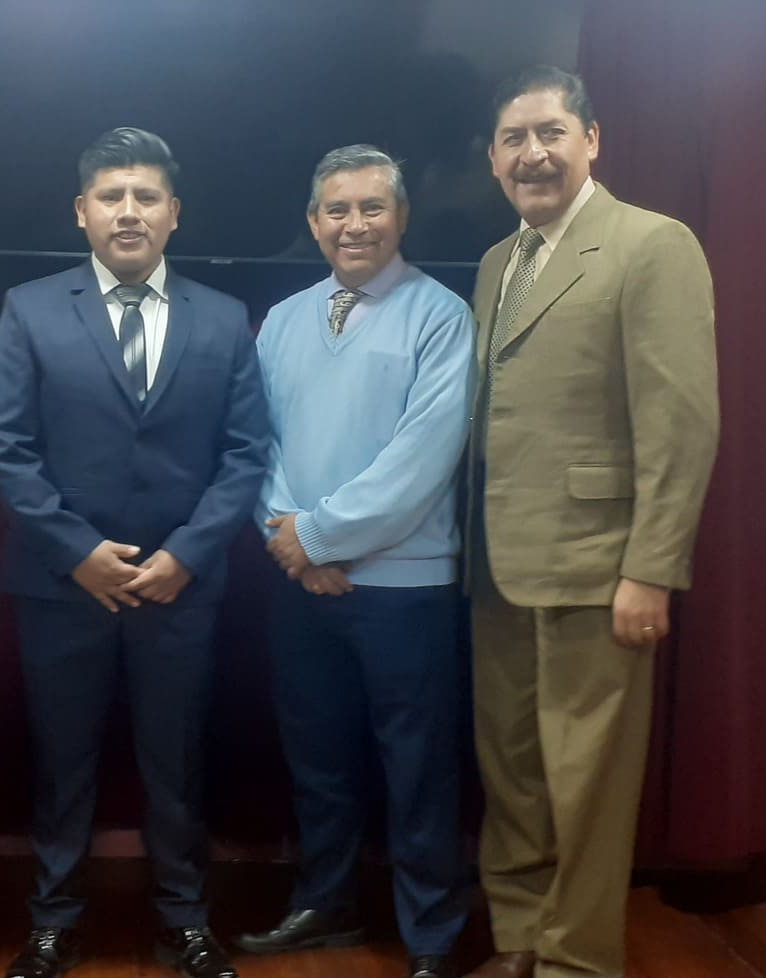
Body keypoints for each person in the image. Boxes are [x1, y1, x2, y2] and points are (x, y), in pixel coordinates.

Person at [0, 127, 270, 978]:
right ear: (83, 211)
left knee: (177, 763)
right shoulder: (32, 308)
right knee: (61, 762)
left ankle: (184, 921)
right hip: (62, 584)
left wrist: (187, 555)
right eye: (112, 196)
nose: (129, 211)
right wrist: (77, 552)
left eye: (147, 197)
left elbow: (245, 453)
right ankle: (52, 922)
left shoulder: (224, 318)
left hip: (180, 585)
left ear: (174, 212)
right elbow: (6, 447)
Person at [463, 66, 720, 978]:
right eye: (514, 139)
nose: (532, 154)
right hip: (497, 567)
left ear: (592, 141)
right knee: (514, 772)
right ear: (492, 158)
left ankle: (577, 963)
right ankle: (520, 941)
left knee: (588, 785)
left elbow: (682, 423)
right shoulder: (497, 263)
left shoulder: (652, 245)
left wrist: (651, 568)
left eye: (551, 133)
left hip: (599, 568)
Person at [236, 145, 473, 978]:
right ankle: (326, 906)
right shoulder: (283, 319)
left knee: (419, 767)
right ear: (313, 223)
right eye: (337, 210)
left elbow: (424, 457)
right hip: (300, 583)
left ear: (401, 217)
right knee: (318, 761)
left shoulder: (441, 315)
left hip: (406, 587)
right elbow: (256, 443)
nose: (355, 224)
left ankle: (432, 935)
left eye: (373, 207)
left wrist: (319, 538)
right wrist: (290, 541)